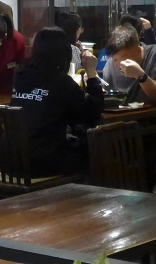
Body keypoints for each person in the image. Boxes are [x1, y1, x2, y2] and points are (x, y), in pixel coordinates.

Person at [11, 27, 103, 174]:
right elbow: (91, 113)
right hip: (41, 162)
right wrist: (91, 73)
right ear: (64, 53)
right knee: (93, 154)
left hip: (10, 161)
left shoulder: (20, 76)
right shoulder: (61, 82)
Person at [102, 24, 156, 106]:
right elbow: (106, 95)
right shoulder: (110, 64)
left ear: (138, 50)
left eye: (123, 58)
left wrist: (140, 76)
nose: (118, 64)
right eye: (115, 59)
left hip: (155, 113)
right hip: (122, 113)